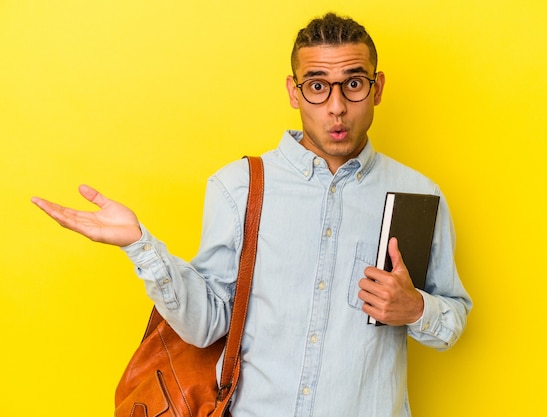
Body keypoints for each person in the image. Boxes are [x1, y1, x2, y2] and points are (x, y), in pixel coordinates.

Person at [32, 12, 471, 417]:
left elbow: (453, 319)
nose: (337, 107)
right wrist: (140, 246)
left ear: (377, 87)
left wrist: (415, 310)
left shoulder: (416, 194)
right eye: (317, 86)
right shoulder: (239, 187)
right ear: (293, 91)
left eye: (353, 84)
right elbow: (206, 327)